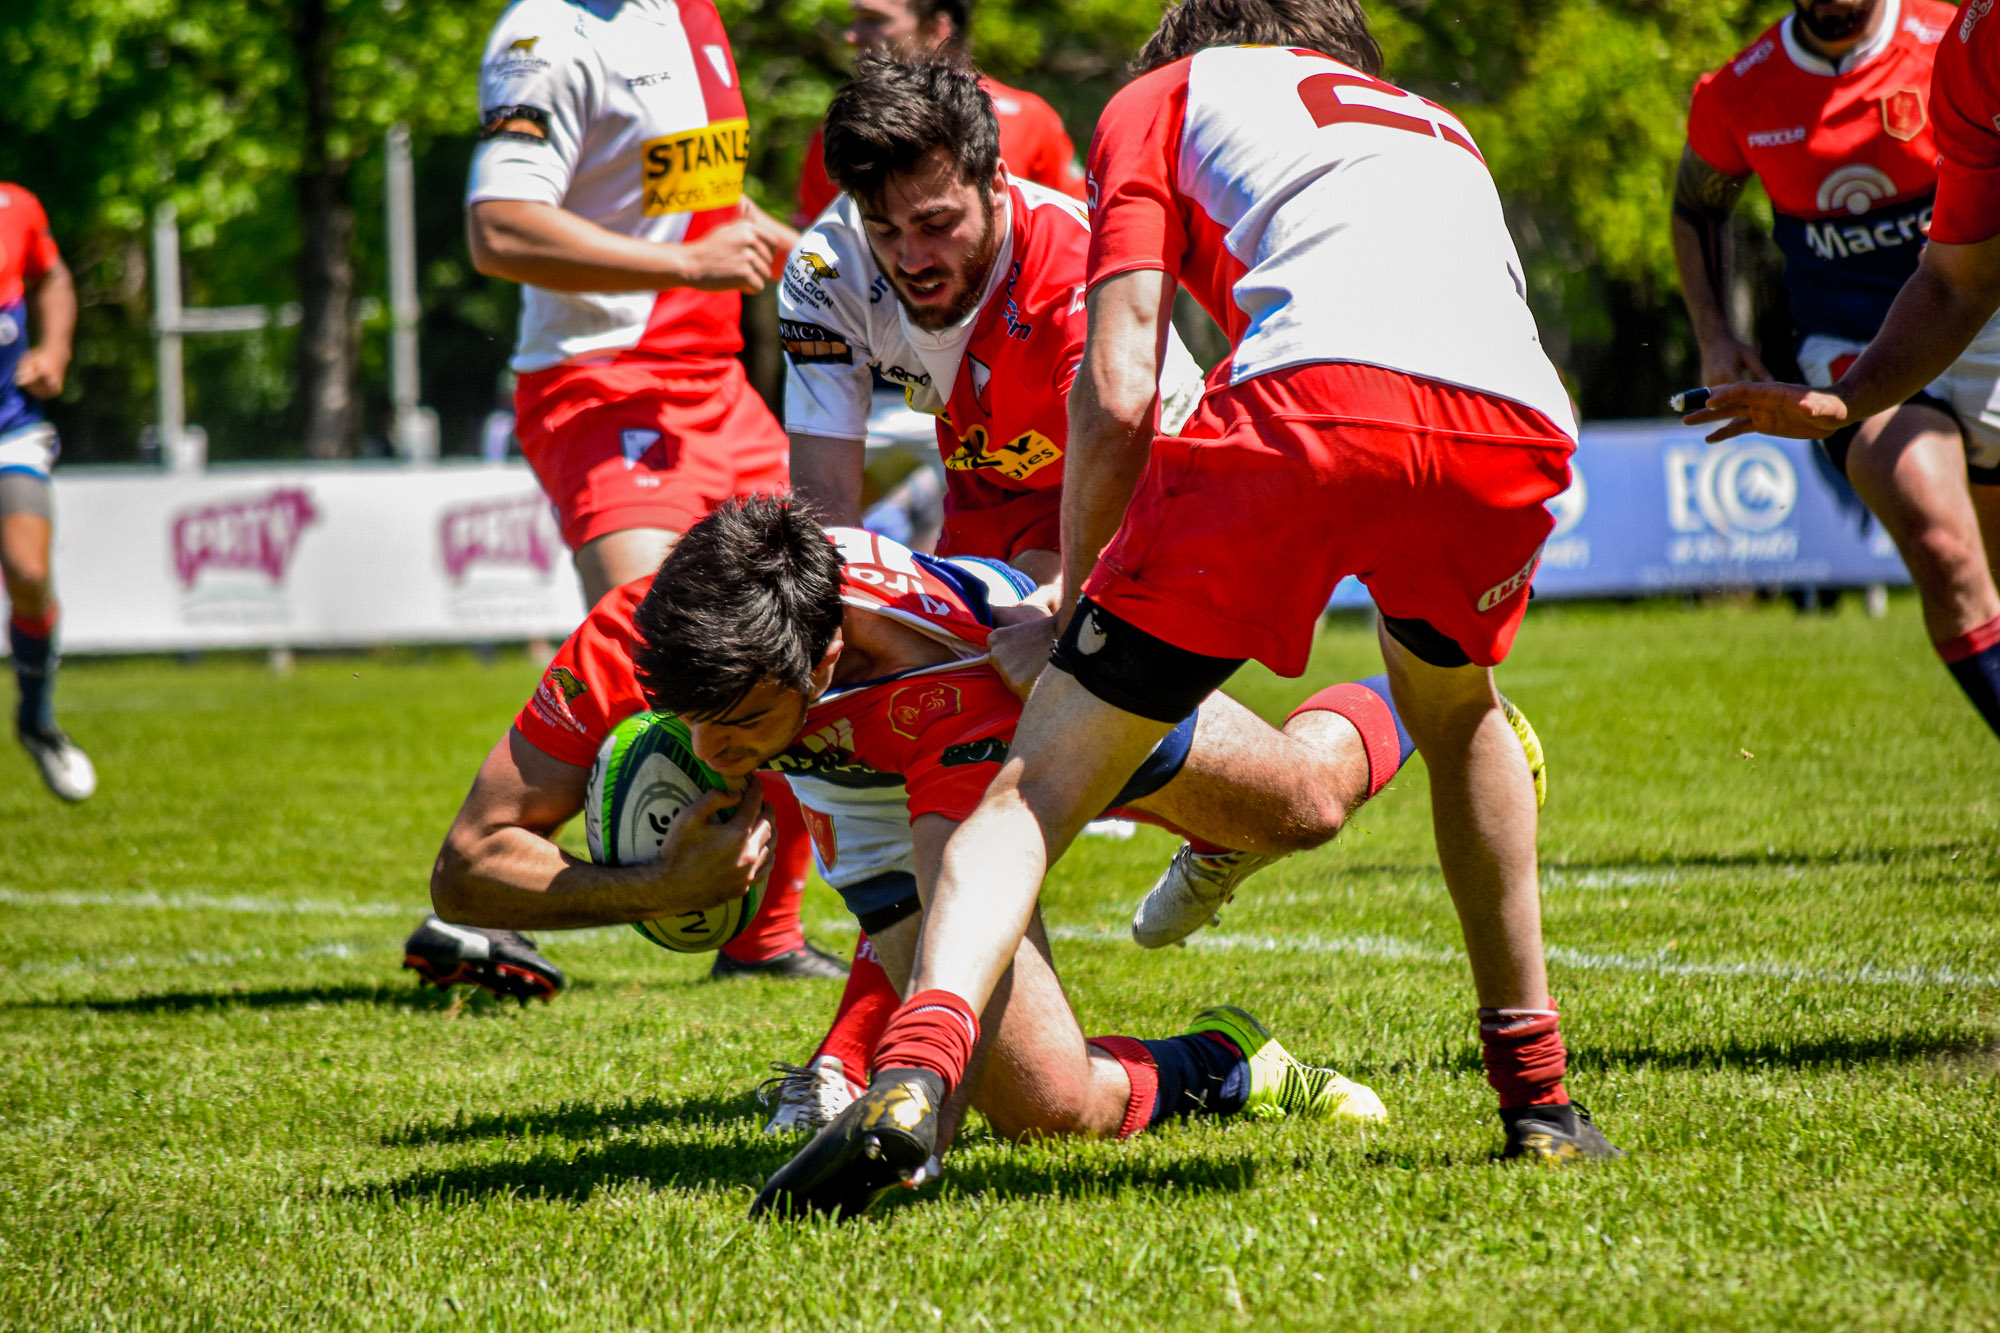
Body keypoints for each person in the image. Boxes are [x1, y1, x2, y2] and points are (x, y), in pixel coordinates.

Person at [761, 0, 1620, 1219]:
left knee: (1036, 786)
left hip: (1261, 431)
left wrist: (1072, 611)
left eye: (936, 218)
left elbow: (1120, 398)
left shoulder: (1158, 100)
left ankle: (908, 1073)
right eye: (885, 226)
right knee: (1459, 710)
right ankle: (1538, 1099)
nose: (909, 250)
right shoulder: (1434, 123)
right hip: (1513, 423)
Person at [527, 496, 1416, 1216]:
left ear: (826, 659)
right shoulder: (693, 615)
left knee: (1306, 803)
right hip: (862, 792)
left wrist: (917, 1120)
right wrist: (659, 871)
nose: (710, 751)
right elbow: (470, 857)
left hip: (1041, 698)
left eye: (743, 724)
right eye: (691, 721)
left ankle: (1436, 702)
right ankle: (1227, 1061)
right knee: (1051, 1109)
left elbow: (965, 880)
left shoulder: (940, 672)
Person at [402, 0, 837, 996]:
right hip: (602, 388)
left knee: (800, 635)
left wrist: (816, 260)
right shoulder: (544, 37)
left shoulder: (691, 15)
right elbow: (498, 228)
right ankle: (492, 892)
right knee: (661, 647)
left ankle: (764, 936)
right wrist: (688, 264)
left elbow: (702, 201)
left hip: (717, 385)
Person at [1671, 0, 2000, 740]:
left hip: (1983, 328)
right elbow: (1697, 206)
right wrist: (1715, 335)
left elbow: (1961, 277)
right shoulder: (1740, 90)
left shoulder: (1955, 40)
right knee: (1943, 548)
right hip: (1849, 350)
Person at [790, 0, 1084, 229]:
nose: (852, 36)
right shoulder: (839, 135)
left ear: (936, 28)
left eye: (874, 19)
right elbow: (817, 264)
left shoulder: (1029, 119)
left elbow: (1082, 229)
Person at [0, 181, 91, 803]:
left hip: (10, 426)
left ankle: (36, 719)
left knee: (28, 572)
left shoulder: (16, 208)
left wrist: (54, 349)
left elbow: (52, 277)